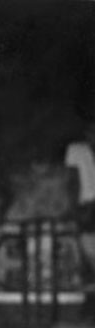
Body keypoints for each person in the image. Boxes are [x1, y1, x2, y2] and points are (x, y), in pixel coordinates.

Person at [65, 122, 95, 317]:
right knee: (86, 255)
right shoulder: (77, 150)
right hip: (88, 206)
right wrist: (75, 210)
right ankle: (89, 302)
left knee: (88, 255)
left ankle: (90, 303)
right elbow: (72, 181)